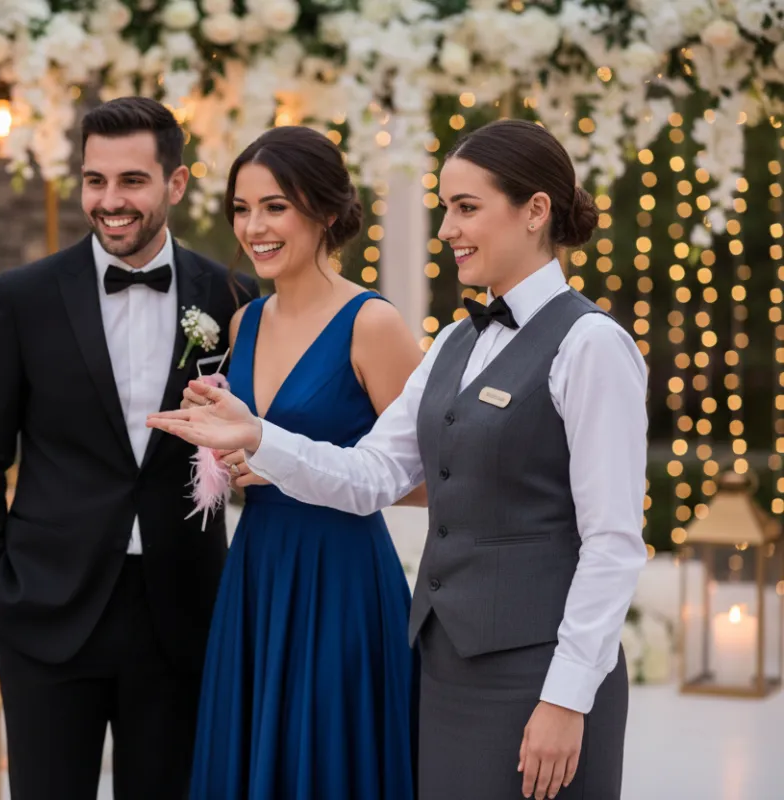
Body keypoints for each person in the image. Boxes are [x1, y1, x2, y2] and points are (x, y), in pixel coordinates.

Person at [148, 118, 648, 800]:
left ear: (536, 212)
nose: (447, 230)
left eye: (466, 208)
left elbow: (613, 543)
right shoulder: (452, 346)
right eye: (446, 208)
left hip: (540, 675)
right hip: (444, 668)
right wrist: (256, 436)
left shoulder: (593, 345)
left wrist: (567, 697)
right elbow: (371, 475)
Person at [0, 96, 259, 800]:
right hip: (47, 611)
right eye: (96, 181)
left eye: (132, 181)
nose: (110, 201)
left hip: (181, 613)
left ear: (175, 185)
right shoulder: (23, 298)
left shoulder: (230, 293)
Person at [181, 125, 424, 799]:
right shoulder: (244, 324)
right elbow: (257, 446)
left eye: (274, 206)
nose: (253, 227)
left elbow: (433, 480)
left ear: (323, 211)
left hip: (340, 577)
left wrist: (296, 465)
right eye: (241, 208)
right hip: (258, 567)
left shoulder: (373, 324)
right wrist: (225, 453)